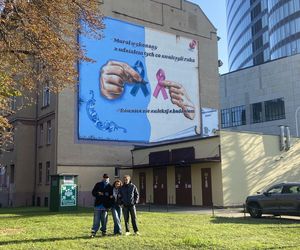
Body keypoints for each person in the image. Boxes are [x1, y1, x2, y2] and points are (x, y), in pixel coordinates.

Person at [90, 173, 113, 238]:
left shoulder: (110, 187)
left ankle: (104, 231)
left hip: (105, 206)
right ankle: (93, 232)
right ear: (102, 178)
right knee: (96, 220)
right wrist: (98, 193)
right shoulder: (98, 184)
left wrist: (109, 206)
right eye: (104, 177)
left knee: (104, 220)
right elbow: (93, 192)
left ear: (108, 178)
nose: (106, 179)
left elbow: (111, 197)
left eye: (107, 177)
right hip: (98, 205)